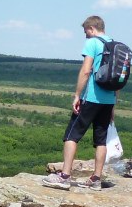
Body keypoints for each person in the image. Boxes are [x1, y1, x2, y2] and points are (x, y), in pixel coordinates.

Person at [42, 15, 120, 190]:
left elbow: (86, 71)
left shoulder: (93, 43)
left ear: (92, 28)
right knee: (101, 140)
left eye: (86, 32)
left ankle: (65, 176)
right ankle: (96, 179)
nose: (86, 35)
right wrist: (114, 102)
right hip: (108, 100)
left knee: (71, 135)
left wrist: (77, 95)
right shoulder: (115, 46)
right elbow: (117, 78)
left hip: (91, 97)